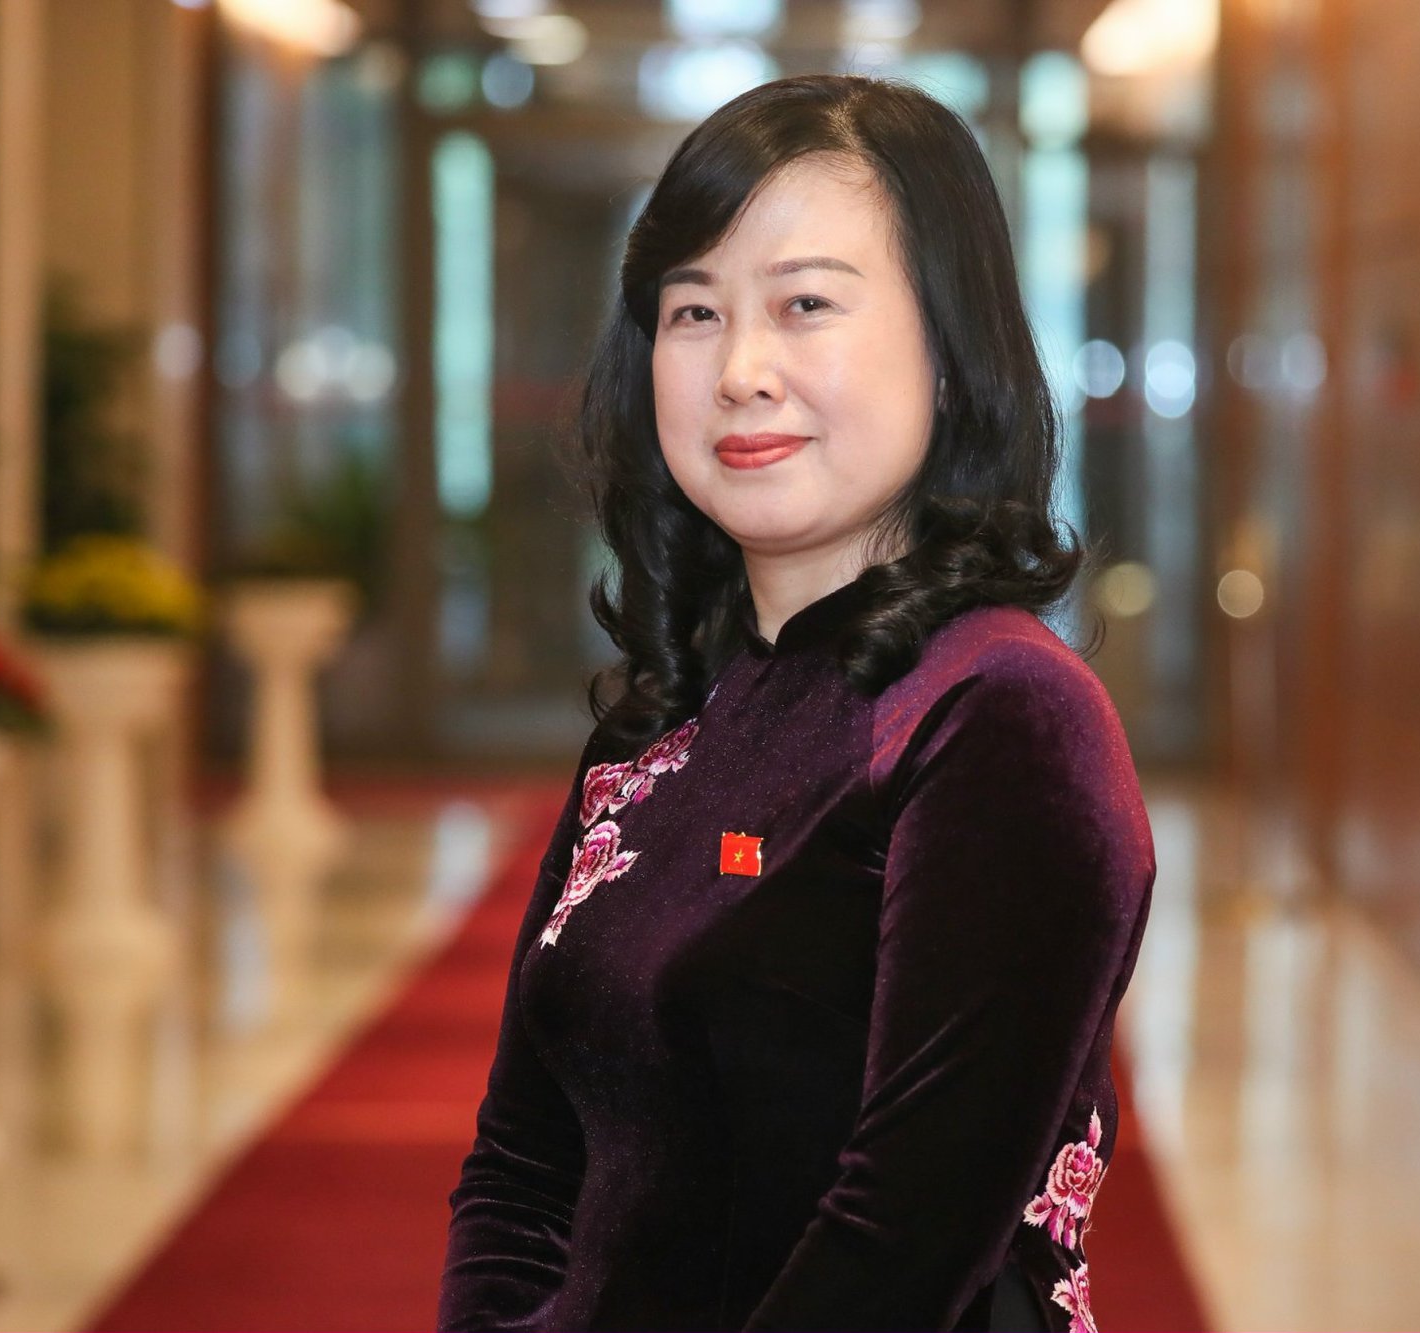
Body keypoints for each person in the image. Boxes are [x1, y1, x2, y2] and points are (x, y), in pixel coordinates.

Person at [438, 72, 1155, 1333]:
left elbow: (899, 1245)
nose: (739, 370)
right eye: (693, 311)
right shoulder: (664, 715)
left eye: (804, 304)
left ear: (950, 348)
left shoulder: (999, 717)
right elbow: (522, 1164)